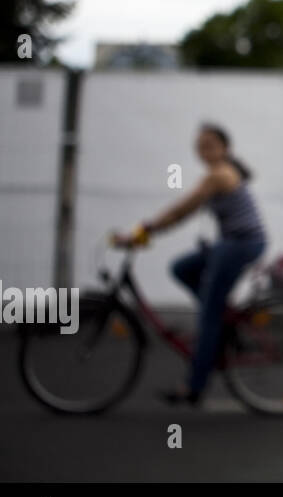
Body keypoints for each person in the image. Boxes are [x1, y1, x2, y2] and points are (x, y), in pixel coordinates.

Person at [114, 123, 268, 406]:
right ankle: (220, 316)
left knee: (208, 315)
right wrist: (152, 230)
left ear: (225, 148)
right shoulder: (218, 174)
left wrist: (146, 229)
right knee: (181, 269)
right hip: (231, 242)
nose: (204, 151)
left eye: (210, 144)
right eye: (200, 146)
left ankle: (194, 386)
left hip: (240, 244)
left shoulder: (220, 175)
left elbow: (181, 210)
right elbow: (183, 212)